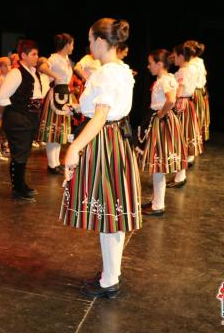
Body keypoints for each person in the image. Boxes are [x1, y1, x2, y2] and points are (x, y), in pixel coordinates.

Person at [61, 18, 141, 299]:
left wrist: (74, 148)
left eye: (90, 38)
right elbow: (102, 110)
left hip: (104, 141)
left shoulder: (107, 72)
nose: (88, 44)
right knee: (113, 211)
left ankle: (109, 279)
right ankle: (112, 273)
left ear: (100, 41)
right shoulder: (119, 70)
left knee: (109, 212)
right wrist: (78, 108)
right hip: (115, 139)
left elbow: (101, 116)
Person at [136, 49, 187, 216]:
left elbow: (171, 99)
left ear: (159, 64)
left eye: (151, 63)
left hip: (161, 123)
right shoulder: (169, 78)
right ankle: (156, 200)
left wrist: (161, 113)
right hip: (164, 122)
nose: (148, 66)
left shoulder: (165, 80)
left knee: (158, 164)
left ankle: (158, 205)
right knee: (158, 165)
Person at [0, 40, 43, 201]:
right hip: (18, 118)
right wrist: (17, 110)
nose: (37, 57)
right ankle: (17, 189)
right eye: (33, 54)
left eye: (37, 53)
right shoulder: (16, 73)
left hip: (29, 118)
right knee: (19, 154)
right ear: (23, 55)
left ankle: (21, 185)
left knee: (24, 153)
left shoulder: (33, 72)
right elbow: (1, 97)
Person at [38, 33, 77, 175]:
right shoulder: (54, 57)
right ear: (66, 44)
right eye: (72, 44)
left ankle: (56, 163)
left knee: (60, 131)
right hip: (56, 96)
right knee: (53, 130)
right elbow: (42, 67)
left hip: (65, 95)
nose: (73, 47)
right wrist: (55, 77)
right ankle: (51, 164)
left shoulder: (66, 59)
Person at [167, 42, 202, 188]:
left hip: (181, 105)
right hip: (188, 105)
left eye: (175, 56)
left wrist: (171, 99)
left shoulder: (182, 71)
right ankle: (180, 175)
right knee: (183, 140)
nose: (173, 59)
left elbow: (179, 90)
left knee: (179, 140)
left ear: (181, 56)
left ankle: (180, 176)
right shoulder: (191, 69)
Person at [187, 40, 210, 142]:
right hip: (200, 92)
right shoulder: (200, 61)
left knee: (192, 119)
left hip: (193, 92)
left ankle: (191, 143)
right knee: (197, 118)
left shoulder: (191, 64)